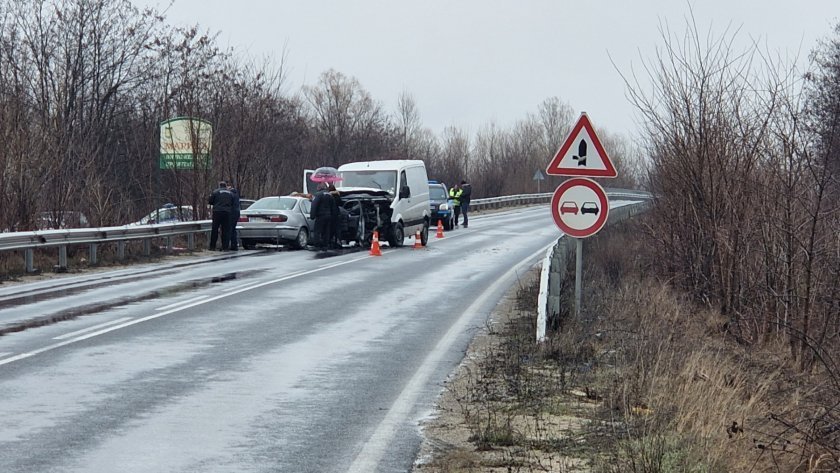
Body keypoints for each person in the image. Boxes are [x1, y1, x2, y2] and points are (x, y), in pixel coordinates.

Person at [309, 182, 338, 250]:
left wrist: (312, 215)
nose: (317, 187)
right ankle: (325, 244)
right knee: (326, 231)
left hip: (320, 215)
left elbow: (314, 205)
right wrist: (334, 216)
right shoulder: (330, 195)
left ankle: (317, 245)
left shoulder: (318, 195)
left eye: (318, 186)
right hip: (328, 216)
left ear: (319, 187)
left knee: (317, 231)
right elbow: (333, 207)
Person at [208, 180, 235, 251]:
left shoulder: (215, 192)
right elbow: (233, 203)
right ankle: (225, 247)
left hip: (217, 212)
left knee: (215, 229)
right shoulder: (230, 193)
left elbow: (210, 201)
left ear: (219, 186)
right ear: (226, 186)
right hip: (227, 213)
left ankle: (212, 247)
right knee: (226, 230)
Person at [227, 182, 241, 251]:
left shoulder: (230, 194)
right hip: (237, 212)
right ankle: (234, 245)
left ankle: (229, 245)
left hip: (232, 213)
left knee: (230, 229)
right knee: (233, 229)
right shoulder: (236, 193)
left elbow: (229, 204)